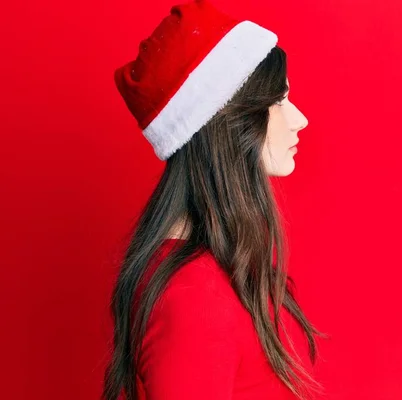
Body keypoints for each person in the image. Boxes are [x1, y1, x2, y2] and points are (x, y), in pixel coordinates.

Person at [101, 1, 328, 399]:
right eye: (278, 101)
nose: (299, 119)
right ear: (226, 121)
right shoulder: (191, 297)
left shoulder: (218, 267)